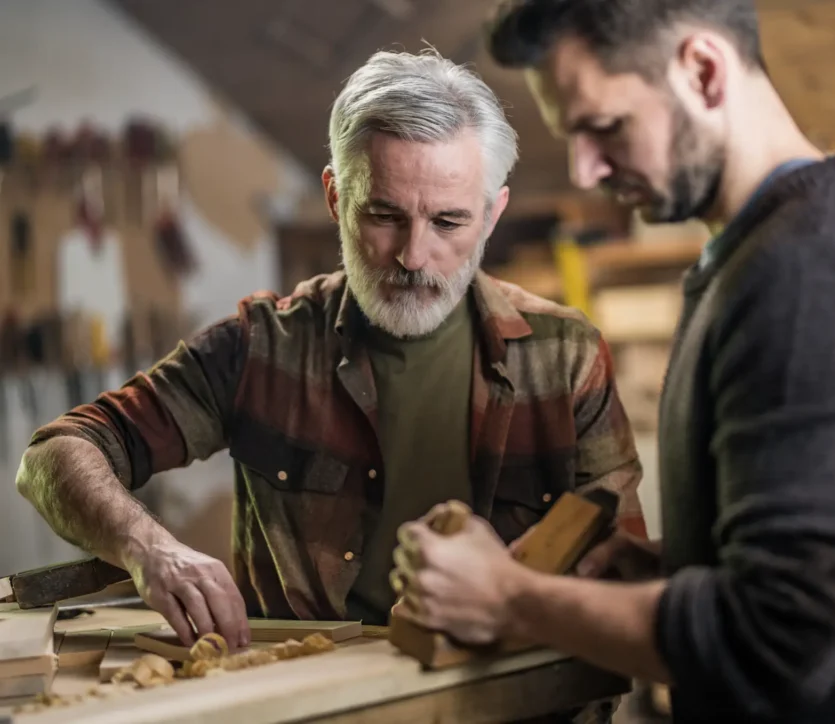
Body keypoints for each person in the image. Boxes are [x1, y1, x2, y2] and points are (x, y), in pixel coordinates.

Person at [390, 2, 835, 722]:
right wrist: (665, 570)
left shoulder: (803, 277)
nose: (586, 171)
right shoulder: (775, 250)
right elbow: (820, 576)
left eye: (605, 127)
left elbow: (778, 642)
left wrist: (510, 597)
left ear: (704, 71)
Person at [15, 50, 645, 669]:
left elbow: (624, 574)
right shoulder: (261, 345)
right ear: (335, 197)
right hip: (312, 704)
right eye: (384, 215)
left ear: (491, 215)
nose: (413, 256)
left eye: (449, 222)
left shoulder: (565, 356)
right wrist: (148, 548)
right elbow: (53, 453)